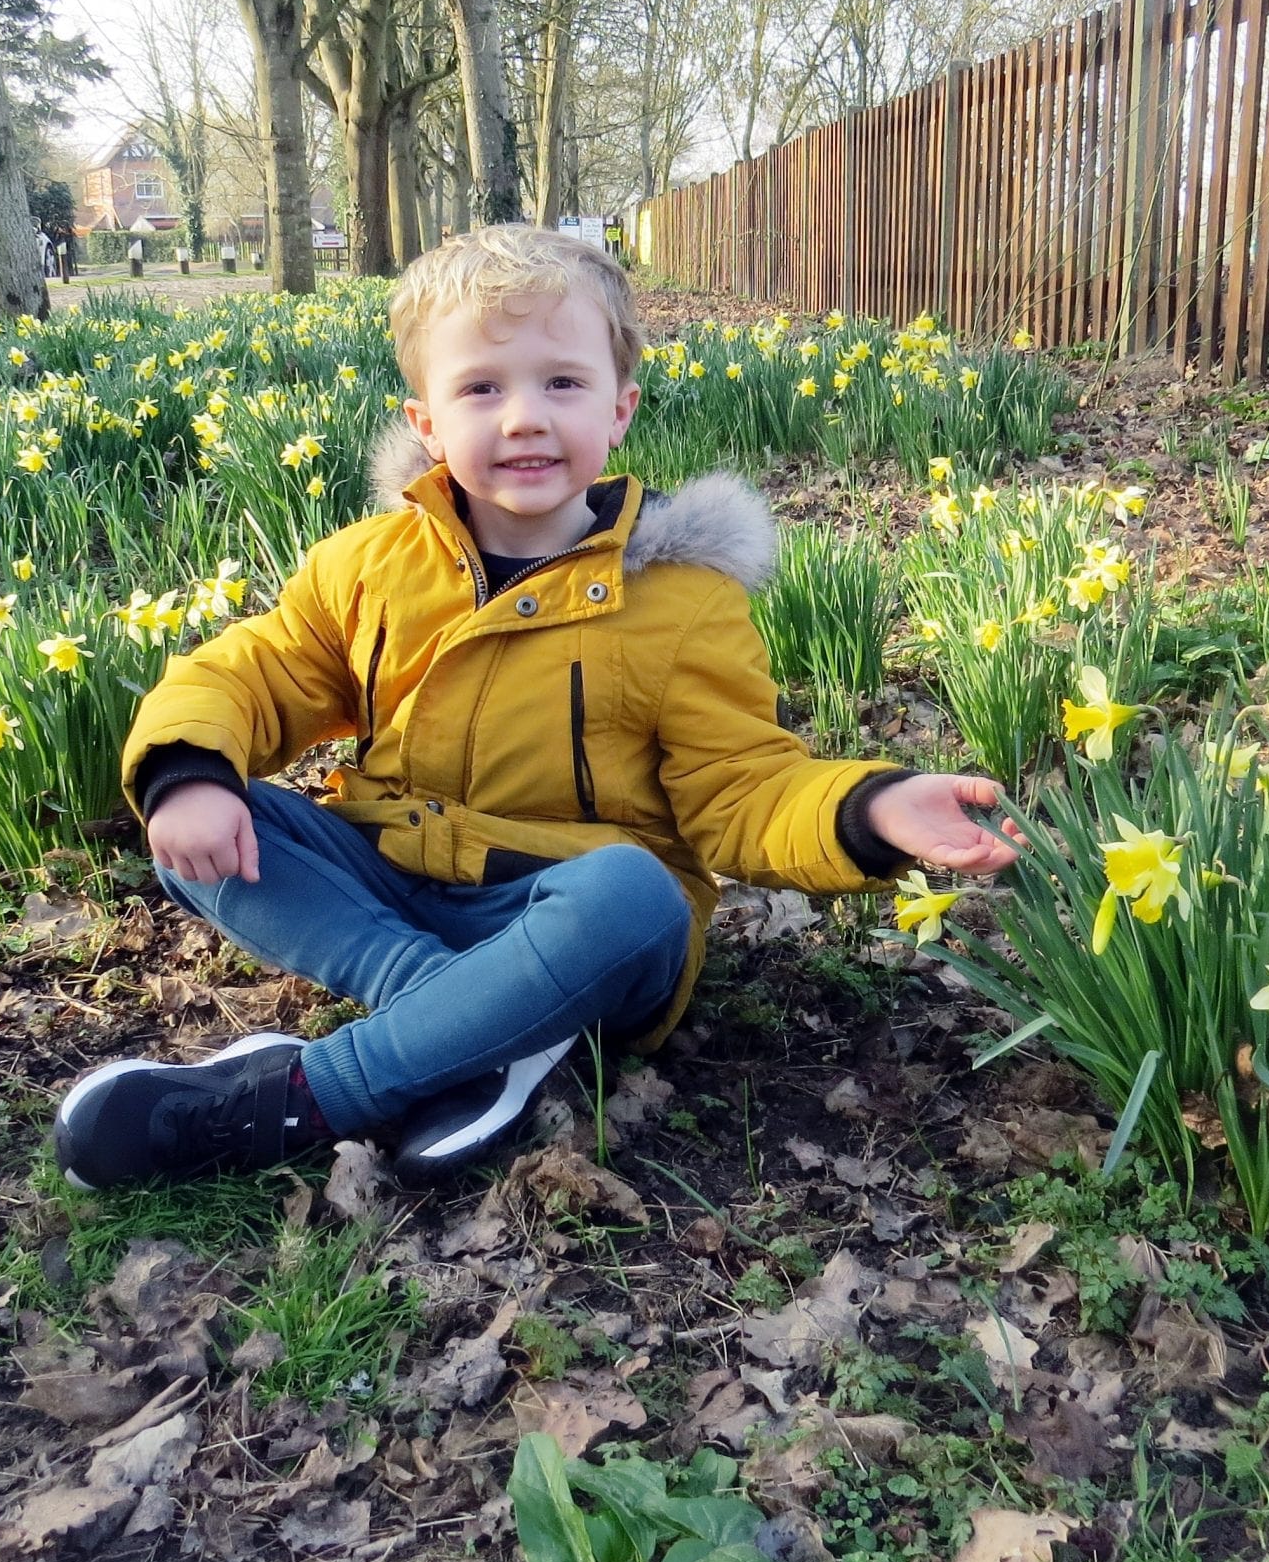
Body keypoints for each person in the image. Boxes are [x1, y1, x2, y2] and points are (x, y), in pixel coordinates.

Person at [53, 225, 1022, 1192]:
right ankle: (463, 1025)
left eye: (562, 383)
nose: (523, 419)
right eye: (481, 389)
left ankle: (312, 1095)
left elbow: (744, 789)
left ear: (619, 409)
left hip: (569, 926)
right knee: (205, 813)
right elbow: (253, 672)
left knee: (635, 894)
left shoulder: (680, 602)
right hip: (397, 885)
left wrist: (869, 808)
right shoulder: (369, 568)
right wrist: (190, 771)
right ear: (427, 421)